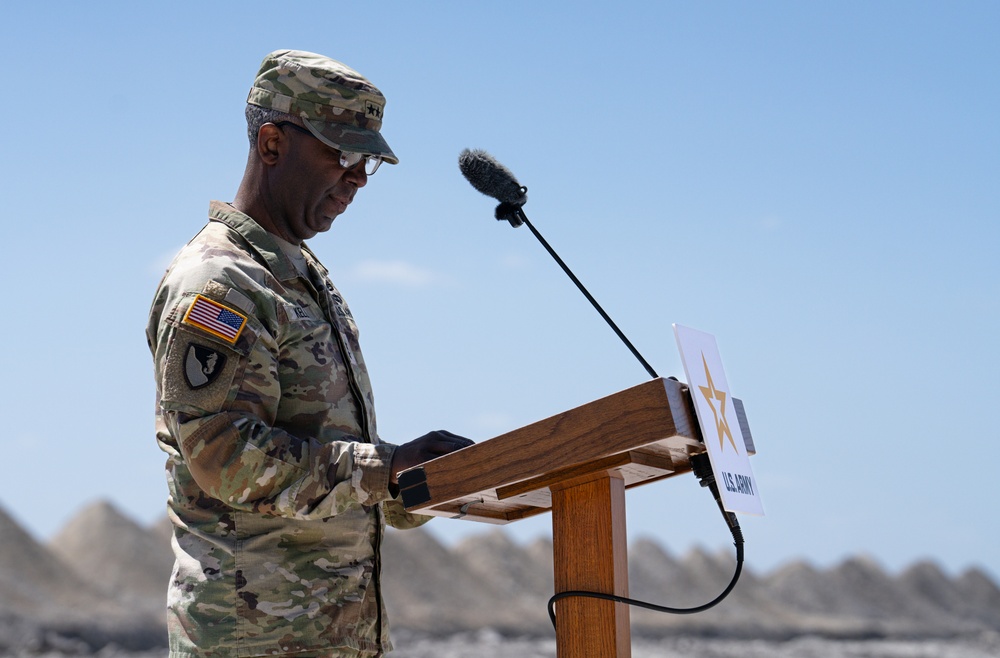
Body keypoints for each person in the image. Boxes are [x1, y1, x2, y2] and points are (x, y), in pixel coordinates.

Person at [146, 49, 474, 657]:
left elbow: (322, 452)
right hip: (254, 639)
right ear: (271, 144)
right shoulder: (221, 284)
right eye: (343, 153)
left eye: (368, 162)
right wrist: (384, 466)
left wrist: (415, 484)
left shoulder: (304, 278)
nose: (356, 178)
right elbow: (223, 456)